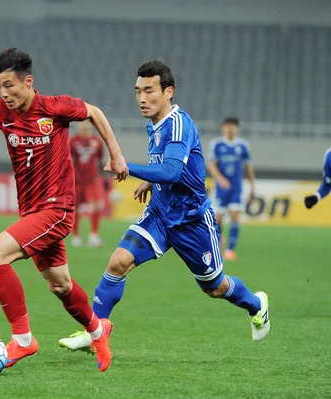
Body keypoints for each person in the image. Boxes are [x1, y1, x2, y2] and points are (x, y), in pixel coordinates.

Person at [0, 48, 128, 372]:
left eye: (9, 85)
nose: (4, 93)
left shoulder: (54, 108)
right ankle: (98, 331)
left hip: (57, 210)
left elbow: (94, 112)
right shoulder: (0, 112)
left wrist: (117, 155)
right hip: (32, 213)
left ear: (28, 81)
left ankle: (23, 340)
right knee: (61, 285)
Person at [58, 60, 270, 354]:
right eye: (138, 91)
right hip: (159, 214)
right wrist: (150, 183)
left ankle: (257, 304)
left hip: (192, 221)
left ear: (168, 91)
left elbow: (171, 171)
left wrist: (127, 167)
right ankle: (95, 332)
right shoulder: (154, 124)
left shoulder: (180, 124)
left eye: (149, 91)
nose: (142, 98)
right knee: (118, 263)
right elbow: (169, 168)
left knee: (214, 287)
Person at [206, 118, 255, 260]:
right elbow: (211, 164)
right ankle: (218, 245)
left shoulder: (243, 146)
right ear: (223, 128)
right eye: (227, 126)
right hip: (221, 189)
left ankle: (230, 250)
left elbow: (248, 167)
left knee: (235, 216)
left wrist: (252, 185)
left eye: (232, 127)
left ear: (237, 129)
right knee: (218, 219)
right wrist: (220, 179)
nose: (230, 129)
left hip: (236, 188)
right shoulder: (217, 144)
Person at [69, 121, 105, 247]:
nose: (84, 125)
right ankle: (76, 236)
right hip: (77, 180)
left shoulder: (97, 141)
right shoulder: (72, 141)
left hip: (92, 180)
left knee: (96, 206)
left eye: (86, 123)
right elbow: (69, 161)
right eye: (81, 123)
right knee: (74, 208)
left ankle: (93, 235)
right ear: (78, 125)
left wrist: (102, 176)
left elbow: (100, 160)